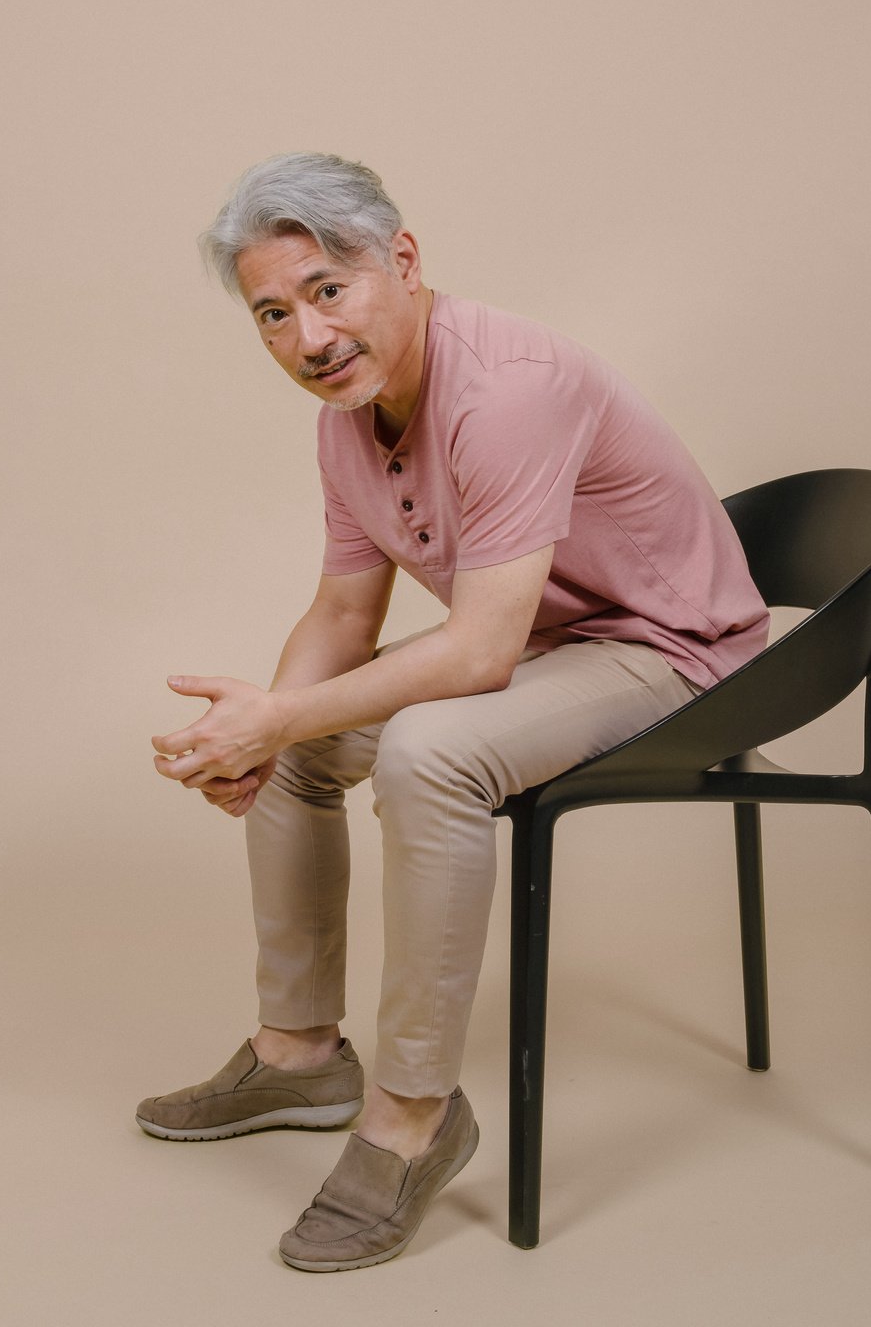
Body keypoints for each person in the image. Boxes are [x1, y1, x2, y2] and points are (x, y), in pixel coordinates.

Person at [137, 151, 770, 1272]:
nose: (307, 338)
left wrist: (275, 717)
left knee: (427, 752)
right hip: (556, 646)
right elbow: (341, 610)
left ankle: (414, 1118)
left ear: (404, 261)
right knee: (301, 730)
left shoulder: (506, 386)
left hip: (676, 657)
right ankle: (298, 1055)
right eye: (272, 315)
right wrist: (261, 725)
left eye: (328, 292)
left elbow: (477, 653)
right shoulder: (349, 417)